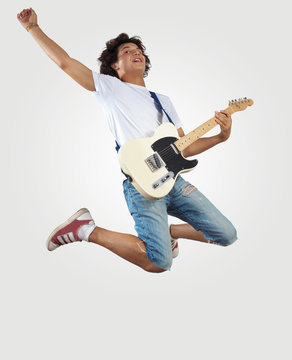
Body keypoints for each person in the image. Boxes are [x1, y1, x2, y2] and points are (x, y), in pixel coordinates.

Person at [17, 8, 237, 273]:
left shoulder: (163, 101)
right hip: (142, 184)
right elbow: (65, 62)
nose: (136, 53)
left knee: (227, 234)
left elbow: (184, 145)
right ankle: (86, 229)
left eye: (138, 51)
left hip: (174, 182)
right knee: (159, 263)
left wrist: (220, 137)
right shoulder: (110, 88)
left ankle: (170, 233)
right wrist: (33, 28)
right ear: (115, 66)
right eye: (127, 51)